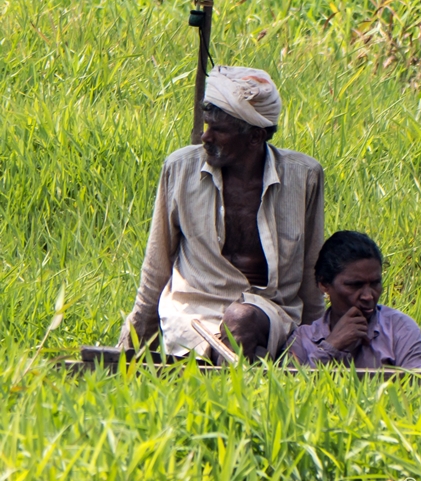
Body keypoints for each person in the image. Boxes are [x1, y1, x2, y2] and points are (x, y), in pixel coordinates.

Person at [118, 65, 325, 361]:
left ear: (255, 137)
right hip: (194, 312)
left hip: (268, 311)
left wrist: (315, 344)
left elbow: (310, 272)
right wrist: (132, 346)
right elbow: (156, 266)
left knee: (242, 320)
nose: (205, 137)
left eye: (219, 130)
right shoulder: (180, 168)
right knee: (225, 344)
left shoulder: (304, 176)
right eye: (206, 125)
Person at [287, 231, 421, 369]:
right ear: (324, 284)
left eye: (375, 283)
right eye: (354, 285)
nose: (368, 296)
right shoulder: (302, 339)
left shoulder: (400, 329)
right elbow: (289, 390)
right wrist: (331, 347)